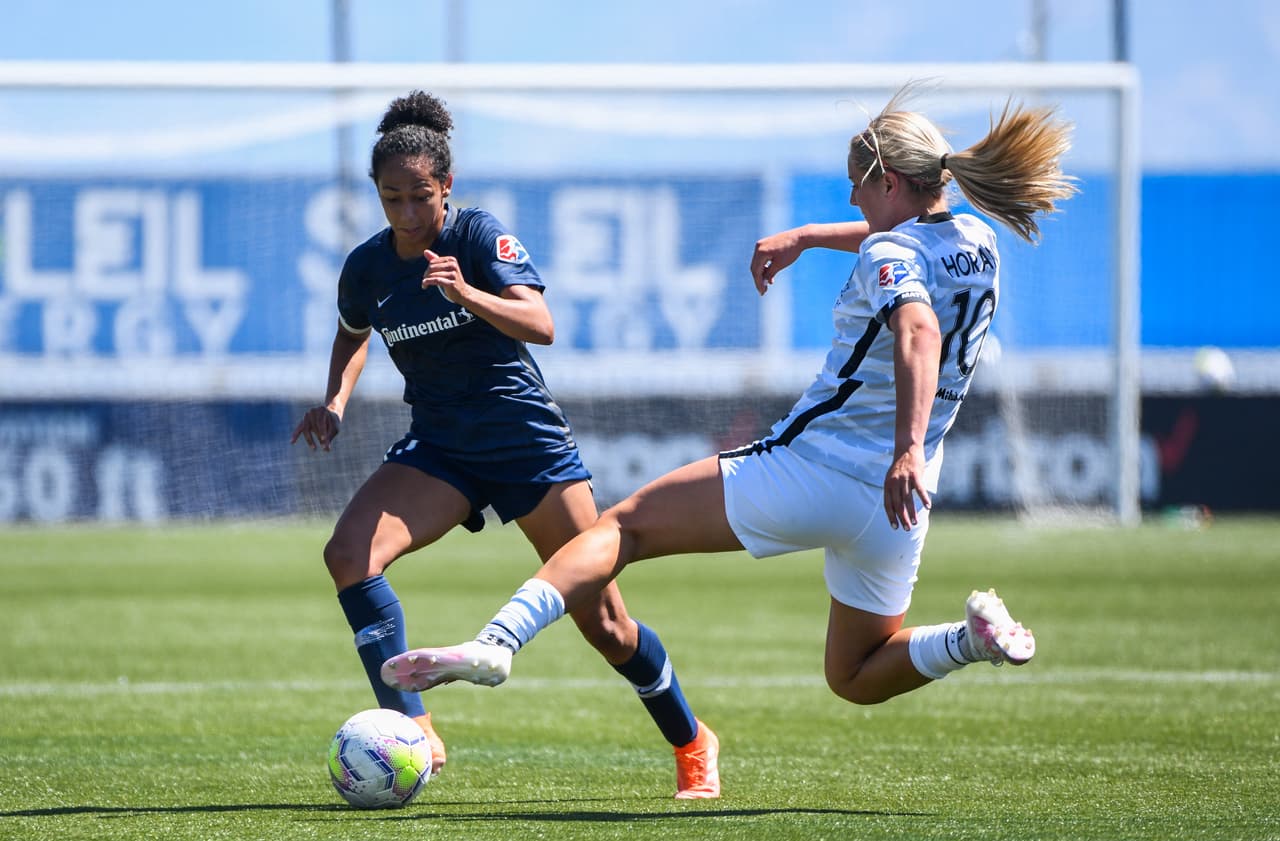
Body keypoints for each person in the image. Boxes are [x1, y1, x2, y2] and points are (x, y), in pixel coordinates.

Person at [380, 87, 1076, 724]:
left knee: (626, 526)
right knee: (856, 672)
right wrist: (808, 235)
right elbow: (900, 241)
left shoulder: (890, 251)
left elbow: (916, 325)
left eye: (858, 192)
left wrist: (903, 447)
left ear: (888, 181)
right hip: (903, 504)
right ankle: (966, 639)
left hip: (822, 469)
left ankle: (497, 641)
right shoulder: (977, 241)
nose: (856, 207)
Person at [291, 90, 720, 800]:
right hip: (442, 448)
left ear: (446, 188)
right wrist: (335, 398)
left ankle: (692, 739)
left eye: (418, 197)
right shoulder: (367, 267)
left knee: (607, 624)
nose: (404, 213)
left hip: (526, 445)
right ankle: (417, 730)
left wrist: (468, 294)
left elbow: (540, 321)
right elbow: (352, 331)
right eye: (390, 197)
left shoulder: (477, 238)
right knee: (348, 555)